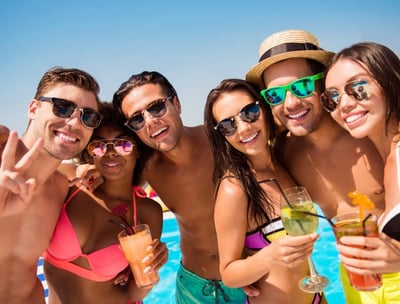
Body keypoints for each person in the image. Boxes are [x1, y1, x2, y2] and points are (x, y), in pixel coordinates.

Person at [112, 71, 246, 303]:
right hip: (194, 288)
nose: (150, 120)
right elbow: (108, 198)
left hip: (248, 278)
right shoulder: (146, 168)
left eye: (156, 107)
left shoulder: (222, 140)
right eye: (137, 119)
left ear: (176, 103)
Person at [203, 78, 326, 304]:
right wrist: (269, 257)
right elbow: (229, 274)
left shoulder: (285, 160)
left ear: (264, 107)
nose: (244, 127)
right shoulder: (235, 188)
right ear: (222, 135)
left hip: (316, 297)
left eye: (249, 112)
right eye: (228, 125)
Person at [245, 29, 385, 220]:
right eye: (275, 94)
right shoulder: (283, 153)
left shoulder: (372, 134)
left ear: (323, 83)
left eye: (303, 86)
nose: (291, 103)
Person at [42, 102, 168, 303]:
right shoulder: (69, 182)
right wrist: (77, 171)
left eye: (123, 144)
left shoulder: (147, 212)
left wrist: (151, 271)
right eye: (99, 145)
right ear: (89, 151)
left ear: (138, 150)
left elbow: (133, 292)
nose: (110, 152)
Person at [0, 67, 102, 303]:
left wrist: (94, 170)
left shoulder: (61, 186)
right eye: (62, 107)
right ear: (33, 109)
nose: (75, 122)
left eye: (88, 116)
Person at [321, 41, 400, 303]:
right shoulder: (383, 153)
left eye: (358, 88)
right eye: (332, 97)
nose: (344, 104)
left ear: (391, 80)